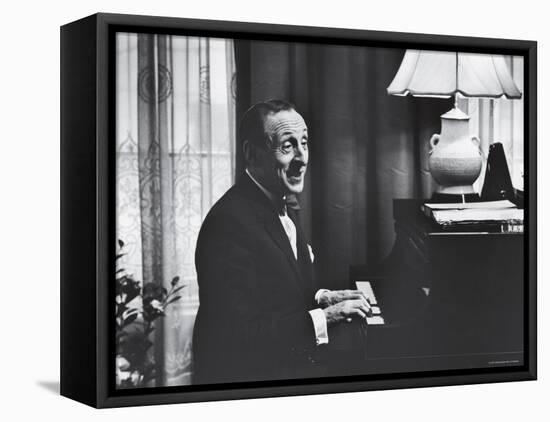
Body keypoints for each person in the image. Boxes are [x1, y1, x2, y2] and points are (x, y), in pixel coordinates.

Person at [192, 100, 372, 384]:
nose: (302, 158)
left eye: (304, 143)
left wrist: (322, 297)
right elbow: (240, 337)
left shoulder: (278, 198)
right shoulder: (227, 224)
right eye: (287, 146)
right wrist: (327, 317)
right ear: (252, 154)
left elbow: (275, 288)